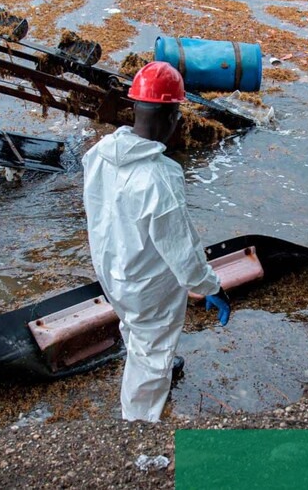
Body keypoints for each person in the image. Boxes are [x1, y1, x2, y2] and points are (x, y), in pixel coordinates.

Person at [82, 61, 232, 422]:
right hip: (148, 285)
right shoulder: (159, 177)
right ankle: (137, 423)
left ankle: (149, 359)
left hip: (112, 270)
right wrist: (210, 286)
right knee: (152, 352)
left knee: (134, 326)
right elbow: (182, 250)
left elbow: (99, 211)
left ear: (135, 107)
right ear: (172, 117)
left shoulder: (100, 153)